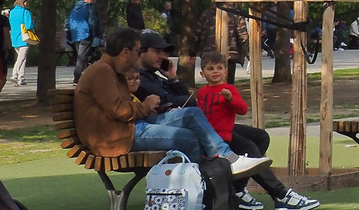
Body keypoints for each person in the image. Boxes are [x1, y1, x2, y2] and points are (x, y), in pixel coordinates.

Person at [76, 28, 269, 174]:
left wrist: (146, 105)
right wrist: (146, 105)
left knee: (192, 114)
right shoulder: (102, 71)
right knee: (192, 138)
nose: (139, 54)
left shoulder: (114, 71)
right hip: (118, 137)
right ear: (126, 52)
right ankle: (207, 187)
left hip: (131, 127)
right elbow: (119, 111)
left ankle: (228, 159)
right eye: (138, 50)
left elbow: (120, 108)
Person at [194, 52, 319, 210]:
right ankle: (280, 194)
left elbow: (242, 109)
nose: (215, 72)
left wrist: (230, 99)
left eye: (219, 68)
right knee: (249, 149)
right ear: (202, 74)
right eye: (211, 69)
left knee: (260, 138)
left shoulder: (228, 89)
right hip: (217, 140)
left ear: (226, 71)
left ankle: (238, 189)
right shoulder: (202, 92)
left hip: (225, 135)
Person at [136, 31, 192, 109]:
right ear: (141, 52)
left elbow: (187, 98)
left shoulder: (156, 77)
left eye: (163, 52)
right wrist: (193, 101)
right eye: (157, 51)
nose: (162, 56)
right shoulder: (137, 78)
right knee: (194, 112)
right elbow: (164, 100)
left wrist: (173, 78)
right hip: (155, 119)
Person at [67, 0, 101, 80]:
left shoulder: (74, 9)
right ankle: (77, 78)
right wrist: (94, 34)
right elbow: (92, 22)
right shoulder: (89, 8)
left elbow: (68, 22)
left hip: (75, 35)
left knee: (83, 56)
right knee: (82, 57)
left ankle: (87, 78)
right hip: (85, 34)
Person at [8, 0, 34, 87]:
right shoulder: (25, 12)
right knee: (21, 58)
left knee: (22, 57)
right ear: (22, 2)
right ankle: (14, 75)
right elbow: (29, 26)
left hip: (14, 38)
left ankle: (21, 78)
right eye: (26, 2)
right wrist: (33, 23)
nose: (27, 4)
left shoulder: (12, 12)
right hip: (24, 38)